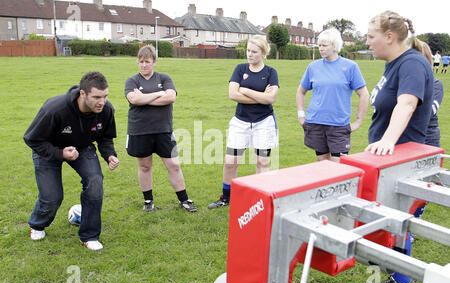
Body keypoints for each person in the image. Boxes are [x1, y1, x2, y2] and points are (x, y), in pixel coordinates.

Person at [365, 11, 434, 283]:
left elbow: (406, 104)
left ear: (389, 37)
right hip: (389, 160)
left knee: (398, 223)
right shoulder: (394, 64)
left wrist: (387, 141)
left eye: (371, 36)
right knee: (385, 222)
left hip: (403, 159)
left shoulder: (412, 64)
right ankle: (386, 275)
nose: (367, 42)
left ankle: (402, 281)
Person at [24, 71, 120, 251]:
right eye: (97, 97)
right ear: (82, 94)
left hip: (82, 147)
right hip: (48, 148)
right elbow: (32, 139)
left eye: (105, 96)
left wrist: (110, 155)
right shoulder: (55, 109)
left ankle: (89, 235)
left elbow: (105, 138)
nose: (102, 102)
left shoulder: (106, 110)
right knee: (52, 197)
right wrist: (60, 154)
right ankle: (37, 224)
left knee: (95, 180)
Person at [208, 35, 279, 209]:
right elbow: (233, 94)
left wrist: (245, 90)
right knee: (230, 161)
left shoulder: (271, 72)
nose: (249, 54)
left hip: (264, 122)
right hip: (240, 122)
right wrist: (261, 97)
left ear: (263, 53)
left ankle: (261, 200)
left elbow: (271, 98)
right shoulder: (240, 69)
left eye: (254, 52)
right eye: (248, 50)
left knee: (262, 162)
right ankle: (226, 197)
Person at [125, 45, 197, 213]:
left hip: (163, 130)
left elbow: (171, 97)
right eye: (141, 62)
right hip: (140, 130)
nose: (143, 65)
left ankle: (184, 200)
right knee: (144, 166)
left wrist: (144, 98)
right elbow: (134, 99)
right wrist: (158, 94)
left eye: (147, 62)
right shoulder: (132, 81)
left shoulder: (164, 78)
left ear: (154, 62)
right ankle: (148, 200)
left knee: (173, 164)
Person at [296, 28, 369, 162]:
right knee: (323, 168)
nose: (321, 48)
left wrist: (358, 121)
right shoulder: (313, 67)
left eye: (324, 45)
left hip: (339, 125)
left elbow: (364, 94)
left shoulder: (350, 67)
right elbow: (301, 91)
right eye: (319, 45)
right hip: (316, 123)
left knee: (339, 169)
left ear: (335, 46)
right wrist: (301, 115)